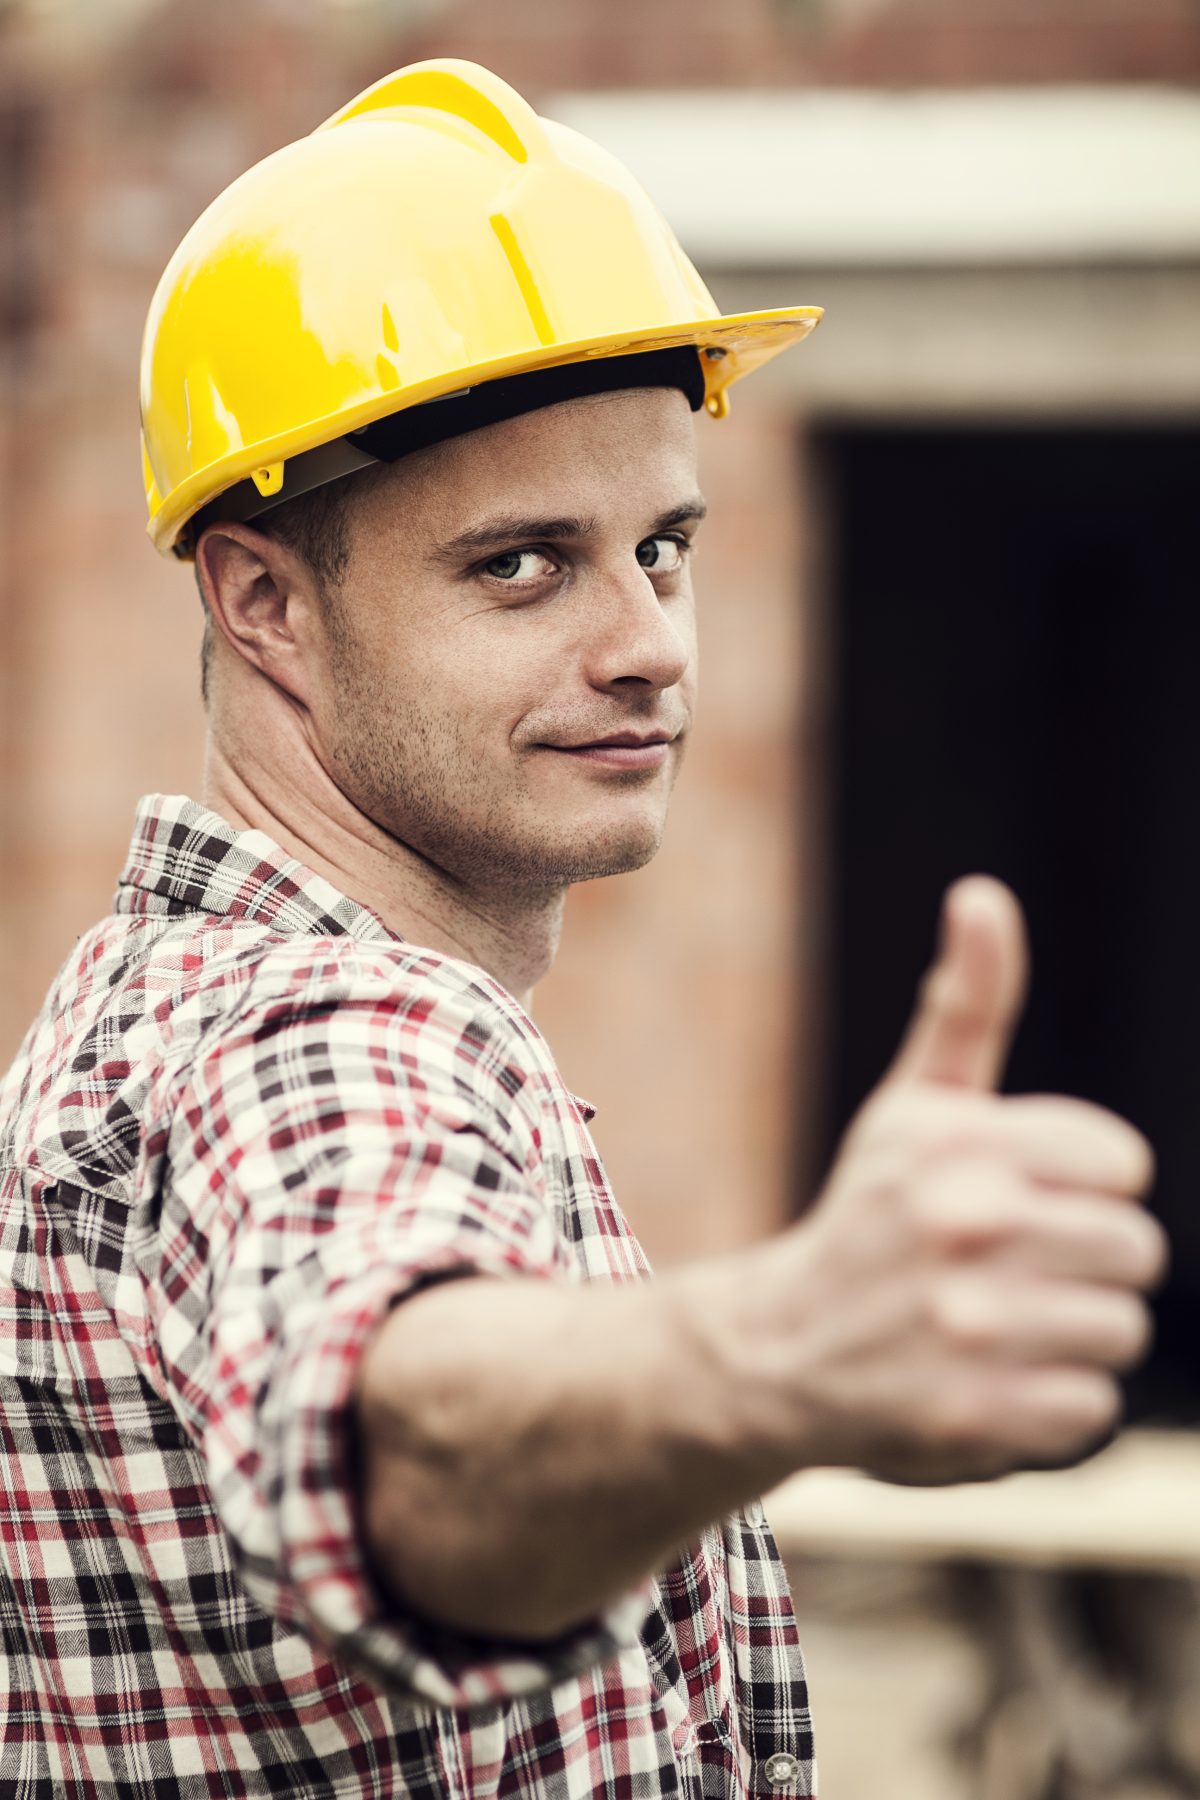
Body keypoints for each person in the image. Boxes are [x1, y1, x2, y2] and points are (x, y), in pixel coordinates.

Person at [0, 58, 1164, 1800]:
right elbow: (388, 1433)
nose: (653, 645)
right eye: (524, 565)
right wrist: (780, 1351)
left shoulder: (144, 1010)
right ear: (262, 602)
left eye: (666, 548)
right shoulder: (320, 1035)